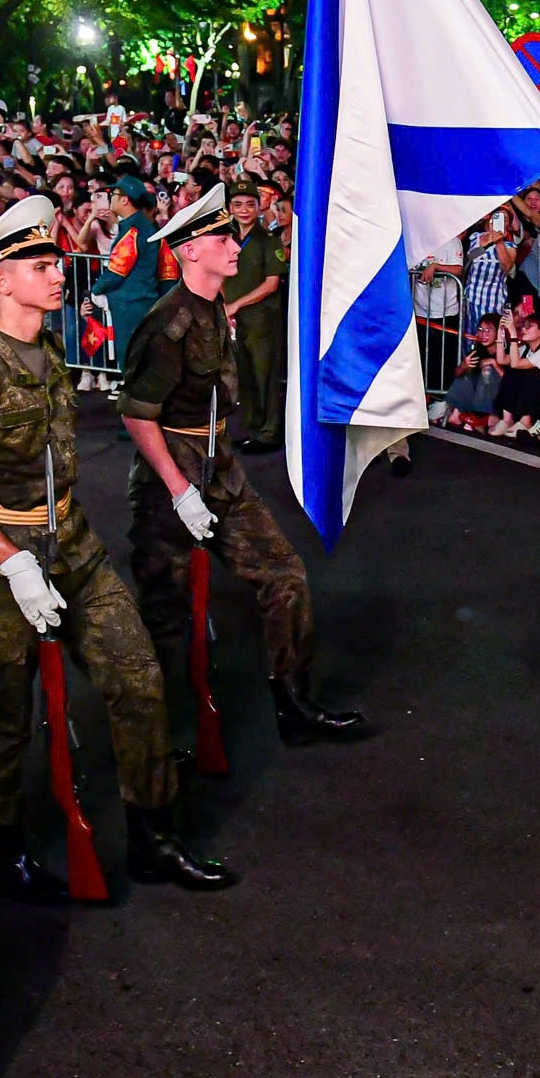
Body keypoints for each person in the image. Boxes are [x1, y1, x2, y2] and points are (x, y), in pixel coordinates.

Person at [0, 196, 234, 900]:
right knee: (5, 716)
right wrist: (11, 562)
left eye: (56, 259)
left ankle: (154, 838)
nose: (58, 272)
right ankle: (5, 855)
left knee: (138, 678)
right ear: (0, 280)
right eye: (39, 264)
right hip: (3, 563)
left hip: (74, 545)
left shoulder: (50, 349)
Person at [119, 184, 369, 747]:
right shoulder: (169, 324)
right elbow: (137, 415)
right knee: (165, 613)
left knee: (285, 575)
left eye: (232, 234)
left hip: (221, 470)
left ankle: (293, 699)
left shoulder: (212, 310)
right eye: (221, 236)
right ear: (189, 251)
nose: (235, 244)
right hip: (171, 483)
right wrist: (180, 489)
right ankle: (152, 737)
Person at [221, 180, 287, 453]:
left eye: (250, 204)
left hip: (263, 318)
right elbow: (222, 273)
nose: (244, 210)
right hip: (238, 318)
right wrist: (227, 305)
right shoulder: (226, 239)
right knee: (245, 375)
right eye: (238, 205)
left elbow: (272, 283)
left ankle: (269, 433)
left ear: (259, 207)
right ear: (229, 209)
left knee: (266, 376)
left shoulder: (268, 240)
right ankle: (253, 428)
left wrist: (235, 306)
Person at [91, 174, 169, 365]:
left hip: (129, 304)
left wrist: (96, 289)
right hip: (143, 300)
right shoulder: (142, 226)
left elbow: (117, 271)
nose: (111, 197)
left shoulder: (132, 231)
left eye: (114, 193)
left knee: (131, 359)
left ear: (125, 199)